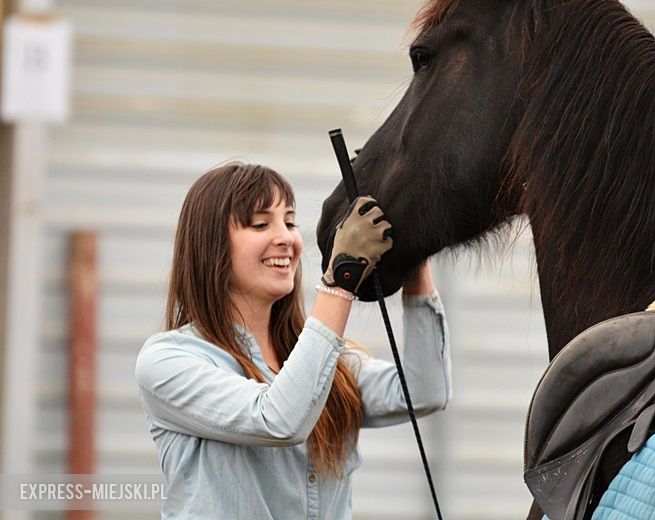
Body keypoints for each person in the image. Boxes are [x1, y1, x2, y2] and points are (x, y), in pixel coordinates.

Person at [135, 162, 451, 519]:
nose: (285, 237)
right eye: (260, 223)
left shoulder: (325, 362)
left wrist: (414, 259)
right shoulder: (169, 361)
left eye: (289, 221)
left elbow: (425, 391)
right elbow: (278, 419)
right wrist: (341, 278)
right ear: (210, 244)